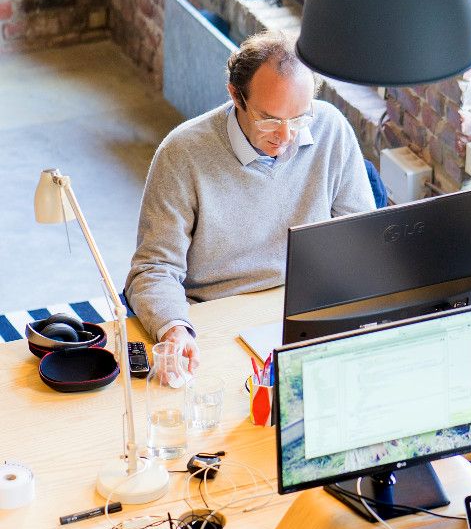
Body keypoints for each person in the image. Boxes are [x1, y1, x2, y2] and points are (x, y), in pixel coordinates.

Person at [125, 30, 376, 372]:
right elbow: (153, 269)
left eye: (299, 118)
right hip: (214, 316)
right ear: (235, 96)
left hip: (303, 308)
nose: (286, 137)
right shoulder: (181, 154)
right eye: (270, 119)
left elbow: (360, 240)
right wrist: (174, 329)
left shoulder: (330, 128)